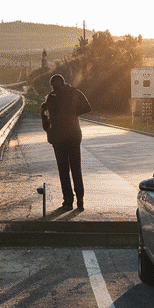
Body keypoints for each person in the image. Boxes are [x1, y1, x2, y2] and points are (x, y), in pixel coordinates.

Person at [40, 74, 91, 212]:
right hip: (73, 135)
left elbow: (45, 116)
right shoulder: (74, 92)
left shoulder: (52, 97)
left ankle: (68, 201)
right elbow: (87, 107)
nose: (54, 88)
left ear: (54, 84)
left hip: (59, 138)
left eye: (53, 85)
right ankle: (80, 200)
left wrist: (49, 129)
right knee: (76, 169)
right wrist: (73, 113)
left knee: (63, 171)